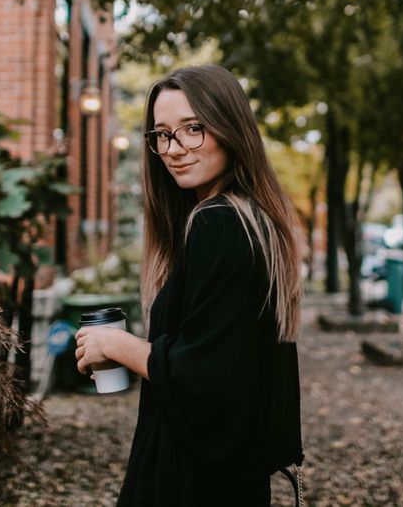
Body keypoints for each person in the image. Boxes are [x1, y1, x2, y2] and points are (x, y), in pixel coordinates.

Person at [75, 64, 304, 506]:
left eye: (193, 128)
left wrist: (115, 344)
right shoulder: (250, 219)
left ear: (230, 130)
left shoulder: (219, 223)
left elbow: (208, 377)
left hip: (195, 482)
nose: (175, 148)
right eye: (162, 134)